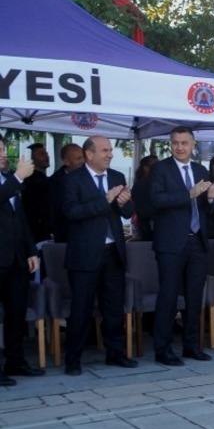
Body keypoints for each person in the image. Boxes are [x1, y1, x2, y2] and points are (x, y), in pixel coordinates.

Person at [61, 136, 138, 375]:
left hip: (113, 252)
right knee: (81, 309)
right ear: (89, 154)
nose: (110, 154)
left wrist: (126, 203)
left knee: (113, 307)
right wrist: (104, 200)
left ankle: (115, 354)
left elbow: (126, 212)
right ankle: (73, 360)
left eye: (110, 150)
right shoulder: (72, 180)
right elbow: (71, 213)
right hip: (84, 255)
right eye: (104, 150)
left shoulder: (116, 177)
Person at [149, 126, 214, 366]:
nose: (179, 147)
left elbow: (207, 211)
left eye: (184, 143)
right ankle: (163, 349)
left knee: (194, 297)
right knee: (169, 296)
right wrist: (189, 194)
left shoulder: (200, 169)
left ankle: (192, 346)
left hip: (197, 242)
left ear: (193, 145)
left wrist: (211, 198)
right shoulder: (161, 169)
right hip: (171, 243)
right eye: (175, 143)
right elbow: (156, 201)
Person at [0, 143, 42, 386]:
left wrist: (31, 250)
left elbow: (21, 219)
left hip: (16, 260)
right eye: (0, 151)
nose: (5, 155)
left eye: (4, 150)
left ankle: (15, 361)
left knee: (16, 313)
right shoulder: (13, 181)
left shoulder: (10, 181)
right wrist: (17, 177)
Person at [49, 143, 85, 243]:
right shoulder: (55, 182)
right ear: (66, 162)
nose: (83, 161)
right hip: (66, 235)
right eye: (78, 158)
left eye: (83, 157)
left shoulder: (87, 175)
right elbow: (55, 211)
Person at [22, 142, 52, 243]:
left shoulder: (44, 178)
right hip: (36, 230)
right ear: (33, 159)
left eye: (46, 153)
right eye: (41, 154)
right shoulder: (31, 180)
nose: (46, 157)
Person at [131, 155, 158, 241]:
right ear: (145, 168)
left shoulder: (139, 183)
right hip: (149, 224)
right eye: (155, 166)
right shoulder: (144, 184)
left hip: (144, 224)